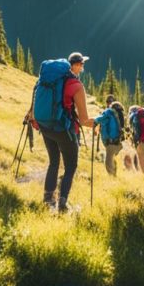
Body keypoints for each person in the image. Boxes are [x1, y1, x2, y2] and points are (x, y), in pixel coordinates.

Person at [36, 52, 94, 212]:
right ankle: (62, 204)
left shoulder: (53, 80)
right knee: (70, 166)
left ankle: (48, 199)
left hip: (46, 127)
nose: (83, 67)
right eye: (81, 64)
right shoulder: (76, 86)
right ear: (74, 65)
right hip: (63, 130)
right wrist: (98, 123)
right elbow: (83, 120)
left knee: (54, 161)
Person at [94, 95, 125, 176]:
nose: (108, 103)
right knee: (112, 159)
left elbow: (100, 119)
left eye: (109, 102)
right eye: (108, 102)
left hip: (111, 142)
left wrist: (94, 121)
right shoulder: (118, 112)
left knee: (108, 162)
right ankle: (114, 174)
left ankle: (112, 179)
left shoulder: (108, 112)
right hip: (117, 141)